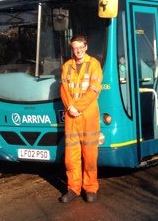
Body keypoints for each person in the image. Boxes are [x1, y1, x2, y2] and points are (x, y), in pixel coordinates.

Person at [59, 35, 102, 203]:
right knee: (71, 157)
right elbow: (64, 89)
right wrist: (70, 106)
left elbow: (94, 89)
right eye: (74, 48)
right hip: (71, 116)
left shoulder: (94, 65)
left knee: (90, 155)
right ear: (72, 49)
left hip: (88, 115)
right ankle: (73, 189)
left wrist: (78, 107)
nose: (78, 51)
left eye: (80, 47)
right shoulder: (67, 66)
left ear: (86, 47)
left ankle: (90, 188)